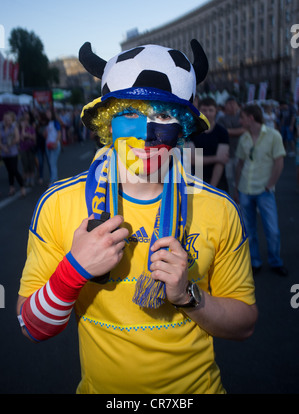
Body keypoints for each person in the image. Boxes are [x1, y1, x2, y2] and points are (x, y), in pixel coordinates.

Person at [17, 40, 257, 395]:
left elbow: (244, 324)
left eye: (162, 116)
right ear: (106, 123)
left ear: (183, 129)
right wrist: (74, 269)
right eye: (130, 114)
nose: (147, 134)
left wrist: (188, 296)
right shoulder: (59, 204)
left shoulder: (219, 208)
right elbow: (32, 327)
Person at [235, 104, 287, 276]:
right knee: (249, 230)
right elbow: (240, 164)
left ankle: (275, 261)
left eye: (242, 117)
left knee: (272, 230)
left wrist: (270, 184)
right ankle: (255, 261)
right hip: (245, 189)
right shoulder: (244, 138)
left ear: (250, 118)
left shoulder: (273, 135)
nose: (240, 120)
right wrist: (236, 187)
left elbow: (279, 162)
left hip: (264, 191)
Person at [190, 97, 229, 191]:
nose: (207, 113)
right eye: (204, 110)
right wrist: (216, 158)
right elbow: (192, 159)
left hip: (217, 180)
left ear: (216, 111)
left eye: (211, 110)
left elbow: (221, 162)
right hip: (196, 178)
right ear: (199, 111)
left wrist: (212, 188)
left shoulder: (222, 132)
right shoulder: (192, 131)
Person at [217, 97, 245, 196]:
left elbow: (245, 130)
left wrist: (229, 132)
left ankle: (239, 199)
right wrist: (238, 131)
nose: (232, 106)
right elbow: (222, 132)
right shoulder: (221, 118)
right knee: (229, 179)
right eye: (229, 104)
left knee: (241, 179)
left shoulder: (242, 117)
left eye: (234, 103)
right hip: (228, 154)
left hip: (241, 154)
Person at [0, 111, 26, 197]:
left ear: (11, 120)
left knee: (14, 170)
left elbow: (17, 138)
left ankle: (22, 187)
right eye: (5, 119)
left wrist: (8, 145)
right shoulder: (1, 127)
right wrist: (3, 147)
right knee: (9, 171)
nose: (7, 121)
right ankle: (12, 188)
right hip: (4, 153)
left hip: (13, 152)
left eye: (8, 119)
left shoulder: (14, 127)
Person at [19, 111, 36, 187]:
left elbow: (34, 138)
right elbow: (21, 138)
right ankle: (27, 178)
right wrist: (23, 129)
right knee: (25, 164)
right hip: (23, 148)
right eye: (23, 121)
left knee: (31, 164)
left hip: (31, 148)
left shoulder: (31, 128)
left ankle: (31, 179)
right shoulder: (20, 129)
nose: (25, 123)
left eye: (26, 121)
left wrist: (28, 135)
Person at [44, 108, 61, 185]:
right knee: (51, 164)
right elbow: (46, 135)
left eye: (48, 113)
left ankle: (53, 181)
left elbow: (59, 133)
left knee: (52, 163)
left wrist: (56, 142)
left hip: (54, 145)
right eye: (46, 113)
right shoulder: (47, 123)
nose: (47, 114)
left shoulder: (55, 122)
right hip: (48, 145)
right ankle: (53, 179)